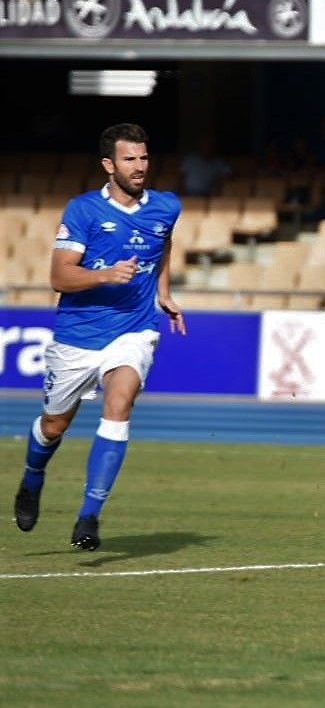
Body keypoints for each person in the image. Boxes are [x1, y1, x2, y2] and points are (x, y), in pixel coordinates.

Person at [12, 123, 186, 551]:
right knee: (54, 426)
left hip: (135, 327)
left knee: (120, 402)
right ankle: (33, 477)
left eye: (144, 157)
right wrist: (106, 274)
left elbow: (162, 244)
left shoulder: (166, 206)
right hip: (79, 334)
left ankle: (89, 516)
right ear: (109, 165)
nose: (140, 166)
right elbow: (59, 276)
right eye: (130, 159)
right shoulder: (83, 211)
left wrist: (163, 293)